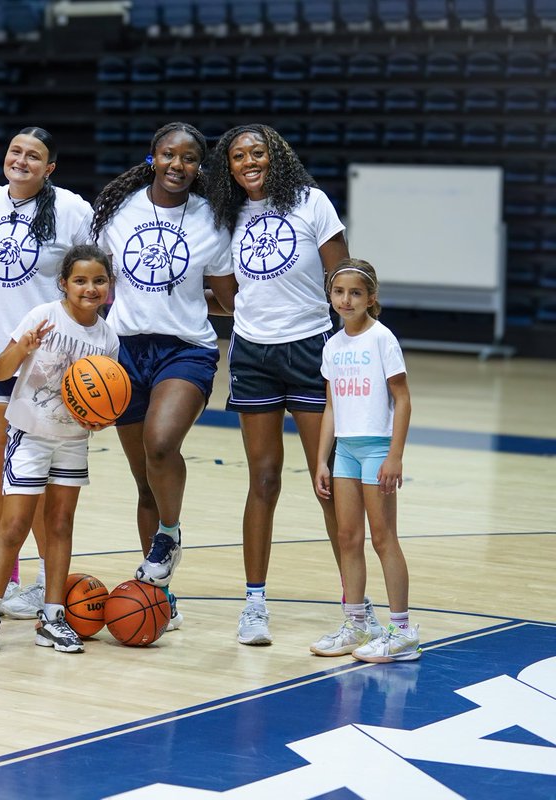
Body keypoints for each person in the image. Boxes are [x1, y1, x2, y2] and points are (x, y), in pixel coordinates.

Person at [203, 124, 382, 646]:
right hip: (253, 353)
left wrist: (356, 350)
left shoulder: (312, 203)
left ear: (275, 156)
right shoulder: (227, 215)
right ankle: (254, 605)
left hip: (310, 349)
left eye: (257, 152)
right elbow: (229, 295)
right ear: (229, 167)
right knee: (262, 480)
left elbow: (342, 279)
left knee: (327, 481)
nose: (248, 162)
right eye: (238, 156)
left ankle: (356, 609)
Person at [90, 122, 236, 631]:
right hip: (123, 351)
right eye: (169, 154)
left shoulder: (211, 221)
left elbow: (231, 296)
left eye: (189, 158)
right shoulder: (116, 212)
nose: (178, 164)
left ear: (199, 167)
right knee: (144, 486)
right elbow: (88, 278)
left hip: (187, 349)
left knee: (159, 444)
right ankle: (158, 597)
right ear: (153, 157)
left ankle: (169, 536)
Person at [0, 126, 94, 620]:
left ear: (50, 167)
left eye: (34, 156)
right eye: (15, 151)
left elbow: (94, 274)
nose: (22, 160)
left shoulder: (73, 210)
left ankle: (41, 578)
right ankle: (7, 575)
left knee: (43, 481)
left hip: (50, 367)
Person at [0, 244, 119, 659]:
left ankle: (52, 617)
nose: (90, 288)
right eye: (80, 280)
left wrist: (103, 417)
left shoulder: (108, 337)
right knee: (13, 528)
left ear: (109, 285)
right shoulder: (44, 316)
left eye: (99, 280)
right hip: (30, 435)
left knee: (61, 526)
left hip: (72, 442)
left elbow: (105, 404)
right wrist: (23, 347)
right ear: (64, 283)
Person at [311, 259, 418, 662]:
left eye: (355, 293)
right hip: (346, 452)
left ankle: (403, 631)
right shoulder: (333, 345)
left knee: (383, 537)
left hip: (376, 448)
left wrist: (395, 454)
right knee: (347, 537)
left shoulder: (381, 338)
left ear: (371, 298)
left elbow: (403, 399)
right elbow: (331, 406)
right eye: (339, 292)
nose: (346, 300)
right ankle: (356, 623)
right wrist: (322, 459)